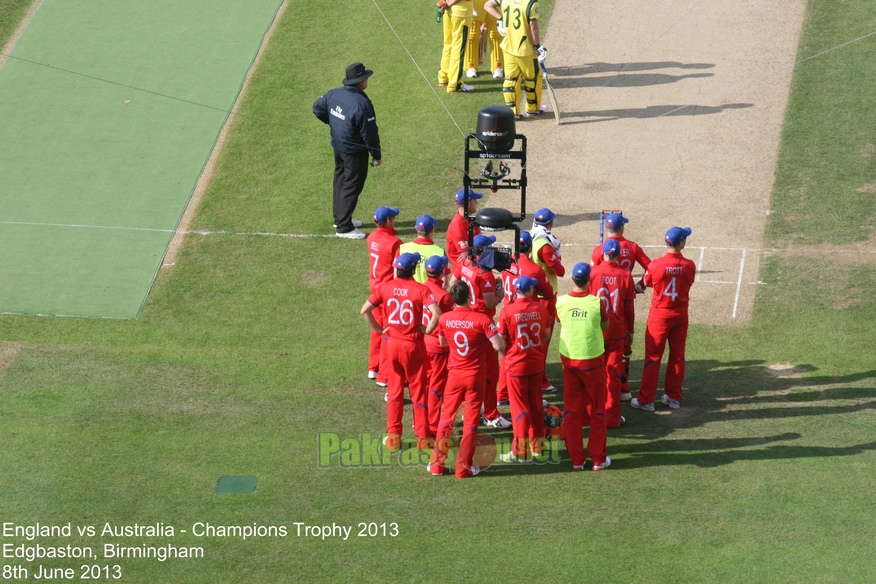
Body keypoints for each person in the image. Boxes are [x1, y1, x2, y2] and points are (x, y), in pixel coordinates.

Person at [361, 253, 440, 450]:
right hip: (413, 345)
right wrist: (427, 329)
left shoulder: (385, 287)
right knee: (418, 392)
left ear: (397, 269)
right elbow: (437, 313)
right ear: (413, 270)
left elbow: (364, 311)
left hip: (392, 345)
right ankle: (423, 438)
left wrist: (380, 330)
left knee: (394, 392)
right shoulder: (421, 289)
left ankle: (393, 437)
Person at [429, 282, 505, 477]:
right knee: (470, 422)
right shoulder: (482, 319)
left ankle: (437, 465)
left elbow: (441, 341)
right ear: (470, 296)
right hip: (474, 376)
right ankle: (463, 467)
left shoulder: (444, 318)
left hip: (454, 375)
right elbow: (498, 345)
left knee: (446, 418)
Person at [313, 62, 382, 239]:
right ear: (360, 82)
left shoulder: (334, 93)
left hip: (339, 146)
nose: (367, 80)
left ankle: (341, 218)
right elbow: (370, 133)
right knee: (351, 185)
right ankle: (343, 227)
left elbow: (317, 108)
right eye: (365, 77)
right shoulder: (362, 103)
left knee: (340, 180)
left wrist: (334, 124)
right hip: (354, 151)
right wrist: (376, 155)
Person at [631, 227, 696, 412]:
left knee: (653, 357)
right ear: (681, 242)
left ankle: (646, 400)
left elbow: (646, 283)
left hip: (659, 316)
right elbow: (688, 282)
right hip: (680, 315)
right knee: (677, 357)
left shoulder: (655, 265)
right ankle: (674, 397)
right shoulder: (689, 265)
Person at [449, 234, 510, 429]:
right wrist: (500, 289)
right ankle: (491, 414)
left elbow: (452, 282)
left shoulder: (466, 262)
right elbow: (491, 301)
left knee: (466, 371)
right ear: (483, 250)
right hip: (481, 325)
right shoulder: (485, 275)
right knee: (490, 372)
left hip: (463, 320)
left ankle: (467, 413)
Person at [555, 262, 611, 471]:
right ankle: (598, 458)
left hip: (569, 361)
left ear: (573, 279)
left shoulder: (561, 302)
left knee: (571, 411)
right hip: (593, 361)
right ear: (590, 280)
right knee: (598, 410)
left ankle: (577, 460)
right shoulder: (597, 303)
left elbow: (561, 320)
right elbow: (605, 325)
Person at [591, 211, 651, 400]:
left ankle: (600, 389)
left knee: (600, 350)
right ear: (622, 227)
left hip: (602, 304)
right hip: (623, 298)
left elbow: (593, 276)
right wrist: (639, 285)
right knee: (623, 347)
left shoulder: (599, 249)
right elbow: (651, 268)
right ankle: (623, 386)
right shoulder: (632, 247)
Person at [496, 275, 552, 461]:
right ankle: (538, 445)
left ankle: (520, 450)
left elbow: (501, 341)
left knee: (519, 408)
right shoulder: (541, 309)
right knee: (536, 404)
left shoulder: (507, 311)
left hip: (516, 365)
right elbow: (546, 335)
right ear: (529, 290)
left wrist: (509, 353)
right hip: (535, 364)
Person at [496, 230, 554, 405]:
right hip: (527, 315)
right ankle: (531, 395)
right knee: (530, 355)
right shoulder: (534, 269)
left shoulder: (505, 264)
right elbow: (549, 293)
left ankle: (502, 395)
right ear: (530, 247)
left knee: (508, 355)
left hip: (508, 313)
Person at [588, 239, 636, 428]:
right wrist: (630, 330)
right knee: (614, 376)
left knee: (593, 375)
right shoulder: (625, 275)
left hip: (596, 331)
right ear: (618, 255)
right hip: (617, 331)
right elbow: (629, 308)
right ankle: (612, 417)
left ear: (604, 254)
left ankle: (592, 414)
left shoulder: (593, 273)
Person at [484, 0, 546, 118]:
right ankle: (532, 109)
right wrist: (538, 46)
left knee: (511, 80)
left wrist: (501, 18)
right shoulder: (531, 4)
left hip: (508, 47)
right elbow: (533, 28)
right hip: (525, 49)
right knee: (532, 79)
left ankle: (512, 112)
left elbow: (487, 5)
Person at [365, 206, 402, 387]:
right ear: (388, 221)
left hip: (374, 287)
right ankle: (383, 374)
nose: (394, 220)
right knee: (387, 330)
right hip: (386, 292)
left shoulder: (371, 237)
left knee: (376, 329)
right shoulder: (395, 243)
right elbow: (397, 271)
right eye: (393, 218)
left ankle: (373, 368)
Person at [530, 208, 563, 393]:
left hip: (535, 295)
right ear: (550, 223)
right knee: (543, 341)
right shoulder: (544, 244)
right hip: (545, 298)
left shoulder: (529, 236)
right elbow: (560, 271)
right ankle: (541, 380)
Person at [423, 256, 455, 437]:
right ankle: (433, 424)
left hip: (422, 343)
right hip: (438, 348)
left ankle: (419, 421)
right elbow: (450, 322)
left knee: (423, 384)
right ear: (442, 271)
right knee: (436, 387)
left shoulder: (421, 287)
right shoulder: (444, 296)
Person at [437, 0, 475, 93]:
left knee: (448, 45)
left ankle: (444, 77)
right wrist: (449, 4)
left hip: (447, 11)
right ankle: (455, 84)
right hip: (460, 13)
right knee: (458, 48)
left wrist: (445, 4)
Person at [399, 215, 446, 283]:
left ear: (415, 228)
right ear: (432, 230)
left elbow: (396, 276)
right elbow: (444, 282)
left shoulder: (402, 249)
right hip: (430, 292)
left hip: (408, 292)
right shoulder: (440, 252)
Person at [465, 0, 504, 79]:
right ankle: (470, 66)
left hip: (493, 3)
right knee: (473, 34)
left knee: (496, 33)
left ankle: (498, 66)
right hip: (475, 4)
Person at [446, 188, 482, 269]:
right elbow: (466, 257)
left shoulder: (470, 219)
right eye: (475, 200)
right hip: (462, 271)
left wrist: (472, 251)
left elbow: (481, 241)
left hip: (471, 265)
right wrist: (473, 251)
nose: (477, 202)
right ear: (468, 204)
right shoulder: (457, 225)